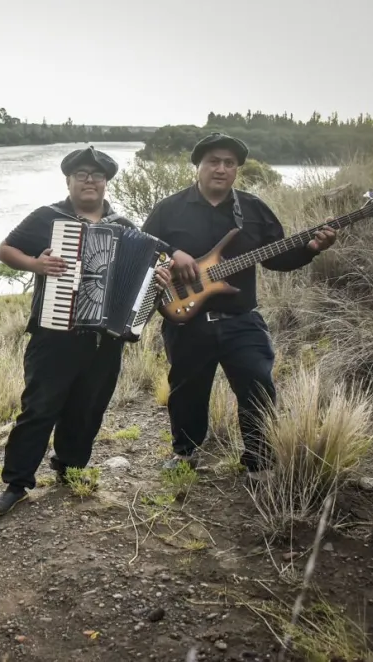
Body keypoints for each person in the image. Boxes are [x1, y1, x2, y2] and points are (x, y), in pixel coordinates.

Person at [142, 132, 336, 480]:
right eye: (213, 161)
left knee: (258, 386)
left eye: (229, 163)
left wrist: (311, 248)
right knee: (187, 392)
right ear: (198, 166)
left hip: (241, 319)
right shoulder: (168, 209)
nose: (221, 168)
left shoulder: (253, 209)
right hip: (186, 320)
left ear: (236, 170)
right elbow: (143, 249)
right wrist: (172, 253)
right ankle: (185, 454)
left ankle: (258, 460)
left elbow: (277, 257)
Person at [0, 146, 171, 516]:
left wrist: (159, 277)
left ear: (106, 182)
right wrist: (35, 264)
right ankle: (17, 482)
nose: (90, 181)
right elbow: (5, 251)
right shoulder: (48, 217)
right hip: (53, 334)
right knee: (39, 408)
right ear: (69, 180)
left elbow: (148, 276)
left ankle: (69, 465)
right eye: (82, 175)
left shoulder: (124, 226)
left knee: (88, 406)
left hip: (104, 340)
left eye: (97, 175)